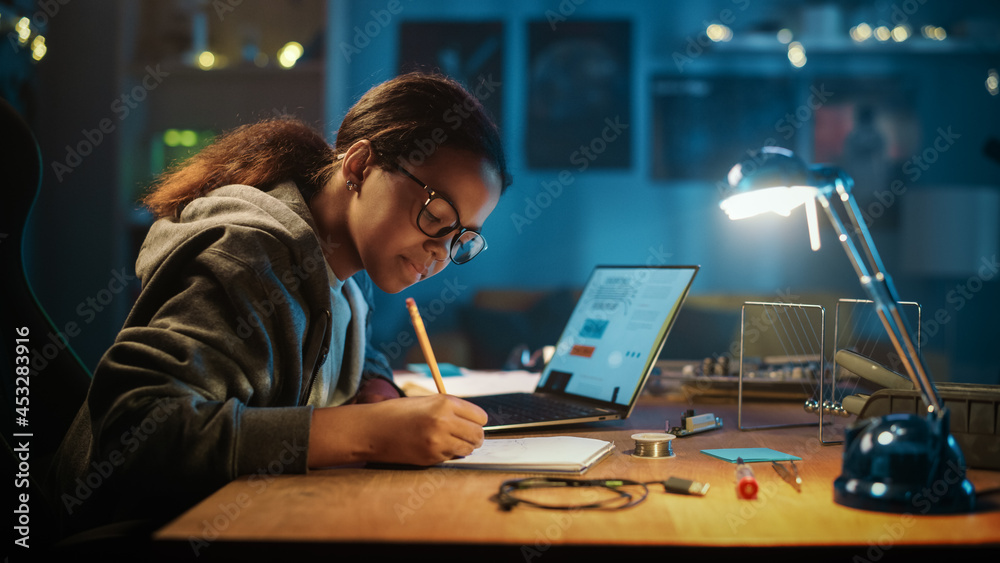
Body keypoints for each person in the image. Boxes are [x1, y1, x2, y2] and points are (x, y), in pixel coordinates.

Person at [46, 72, 512, 538]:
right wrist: (367, 431)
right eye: (435, 216)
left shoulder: (349, 271)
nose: (440, 252)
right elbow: (138, 431)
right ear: (360, 166)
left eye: (461, 238)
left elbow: (339, 344)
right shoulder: (248, 258)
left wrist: (376, 389)